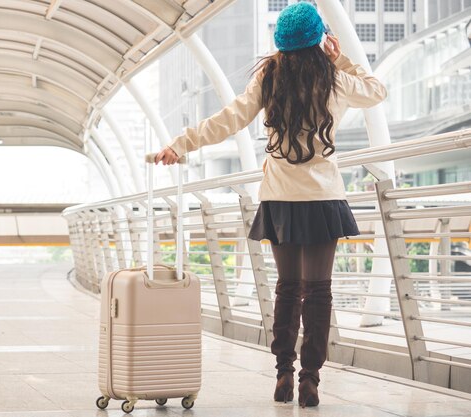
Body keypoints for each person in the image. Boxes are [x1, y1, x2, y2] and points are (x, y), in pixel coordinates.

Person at [154, 2, 387, 408]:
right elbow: (377, 91)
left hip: (280, 200)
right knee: (318, 292)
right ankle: (310, 379)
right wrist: (341, 57)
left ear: (280, 43)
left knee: (287, 288)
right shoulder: (333, 76)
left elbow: (228, 119)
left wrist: (181, 144)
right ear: (319, 40)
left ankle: (283, 373)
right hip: (323, 200)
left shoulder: (269, 77)